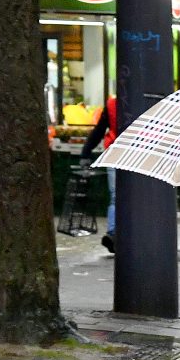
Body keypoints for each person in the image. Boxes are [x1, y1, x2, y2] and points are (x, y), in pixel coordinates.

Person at [80, 95, 117, 253]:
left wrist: (86, 152)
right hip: (135, 152)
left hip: (114, 151)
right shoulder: (141, 100)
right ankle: (116, 233)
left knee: (116, 195)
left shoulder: (112, 104)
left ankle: (113, 232)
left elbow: (99, 130)